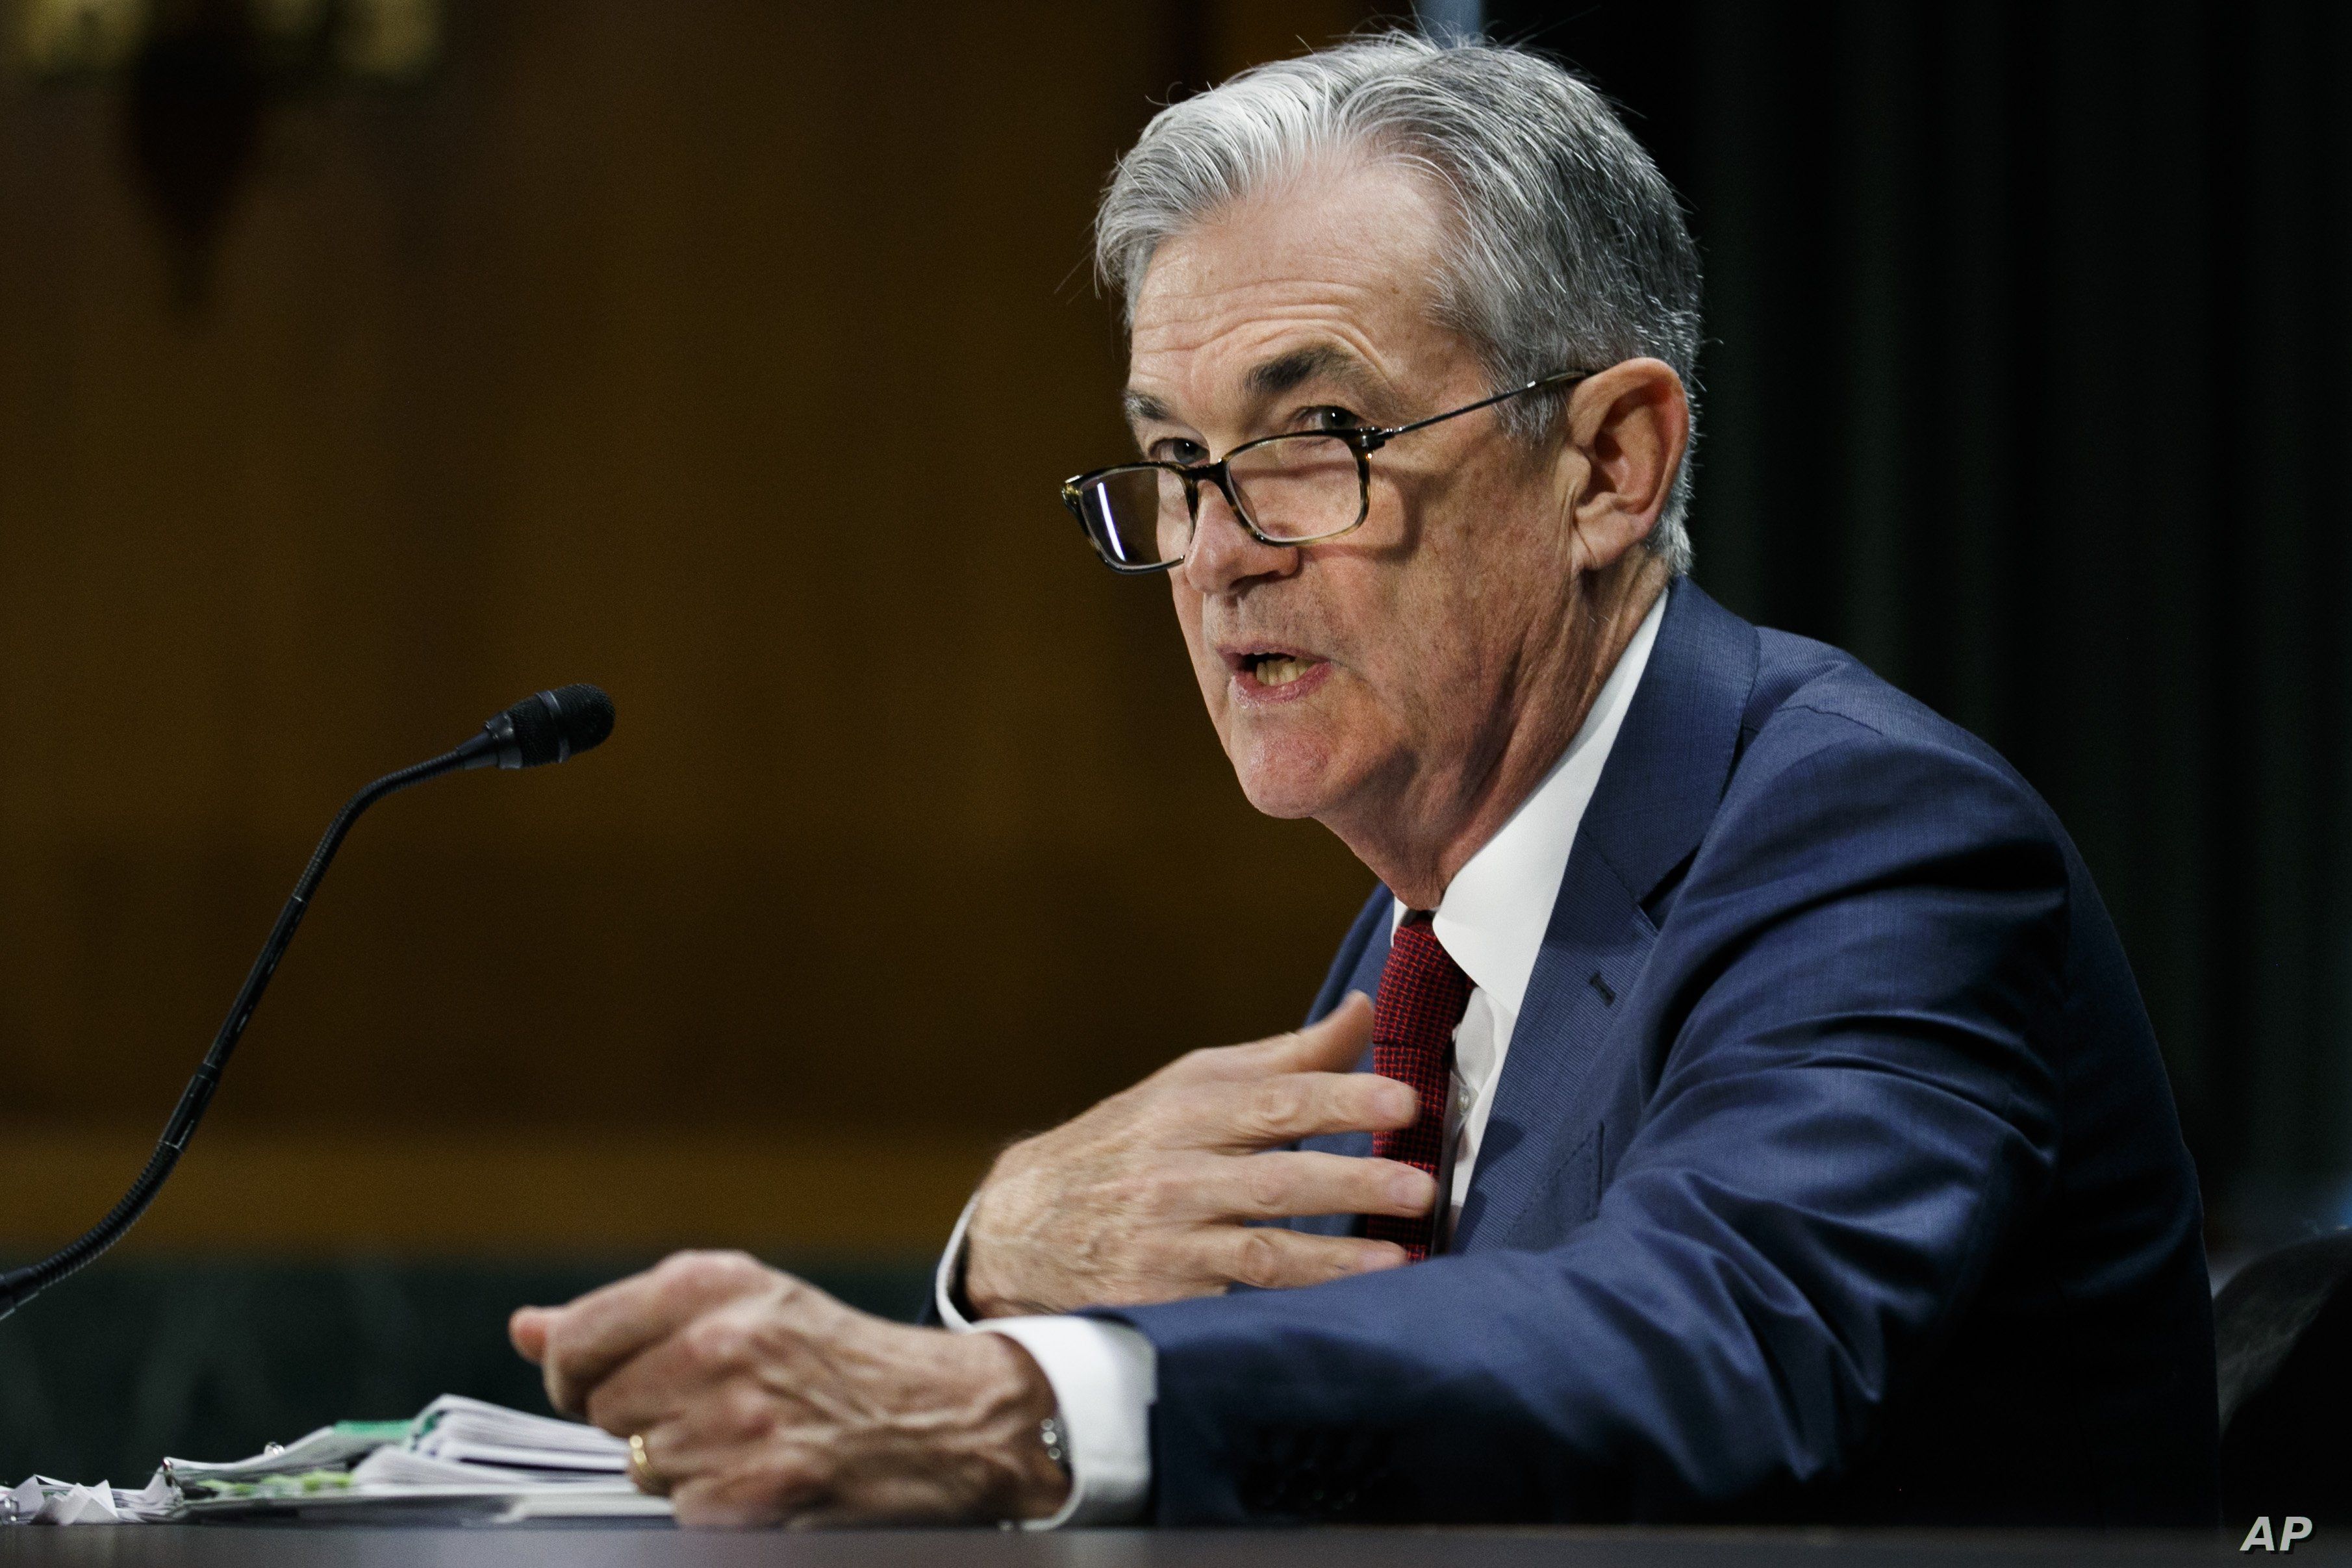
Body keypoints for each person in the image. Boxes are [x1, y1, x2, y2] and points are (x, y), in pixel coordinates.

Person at [508, 34, 2219, 1528]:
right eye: (1177, 461)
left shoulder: (1872, 844)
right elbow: (1374, 1409)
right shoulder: (1421, 930)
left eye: (1311, 442)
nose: (1216, 557)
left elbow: (1699, 1347)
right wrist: (1012, 1253)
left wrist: (1020, 1403)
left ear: (1611, 463)